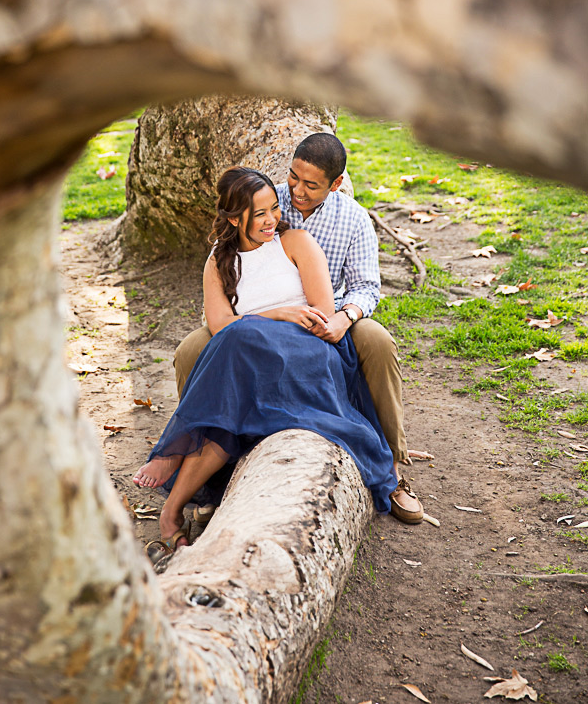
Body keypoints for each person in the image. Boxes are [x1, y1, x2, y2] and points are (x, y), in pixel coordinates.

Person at [133, 167, 398, 553]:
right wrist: (276, 314)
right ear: (232, 218)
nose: (272, 219)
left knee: (240, 340)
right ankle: (170, 513)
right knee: (230, 406)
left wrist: (284, 318)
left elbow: (323, 310)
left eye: (274, 208)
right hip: (247, 362)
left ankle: (173, 450)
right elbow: (220, 325)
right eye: (259, 214)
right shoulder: (218, 261)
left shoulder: (295, 242)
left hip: (305, 352)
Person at [173, 134, 423, 524]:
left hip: (328, 317)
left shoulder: (352, 218)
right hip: (252, 319)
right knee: (191, 349)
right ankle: (206, 462)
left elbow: (367, 286)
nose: (297, 191)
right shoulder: (267, 201)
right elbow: (228, 249)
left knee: (376, 341)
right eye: (293, 177)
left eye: (311, 184)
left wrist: (345, 318)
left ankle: (391, 467)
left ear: (335, 184)